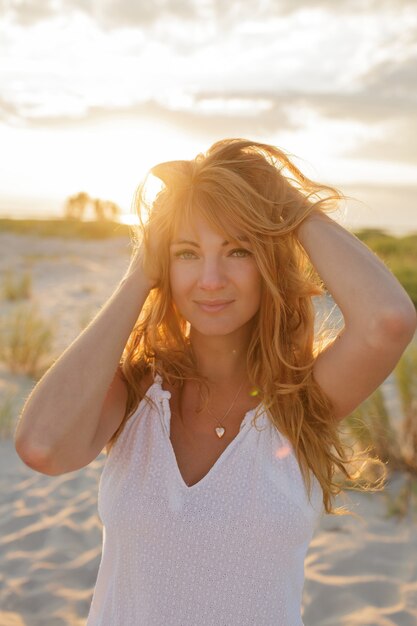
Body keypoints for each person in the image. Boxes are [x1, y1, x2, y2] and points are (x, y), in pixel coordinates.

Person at [15, 138, 417, 625]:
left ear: (268, 261)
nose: (210, 279)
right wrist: (142, 273)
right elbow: (41, 447)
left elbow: (388, 322)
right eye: (186, 253)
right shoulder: (137, 389)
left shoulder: (302, 398)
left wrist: (281, 200)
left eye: (237, 249)